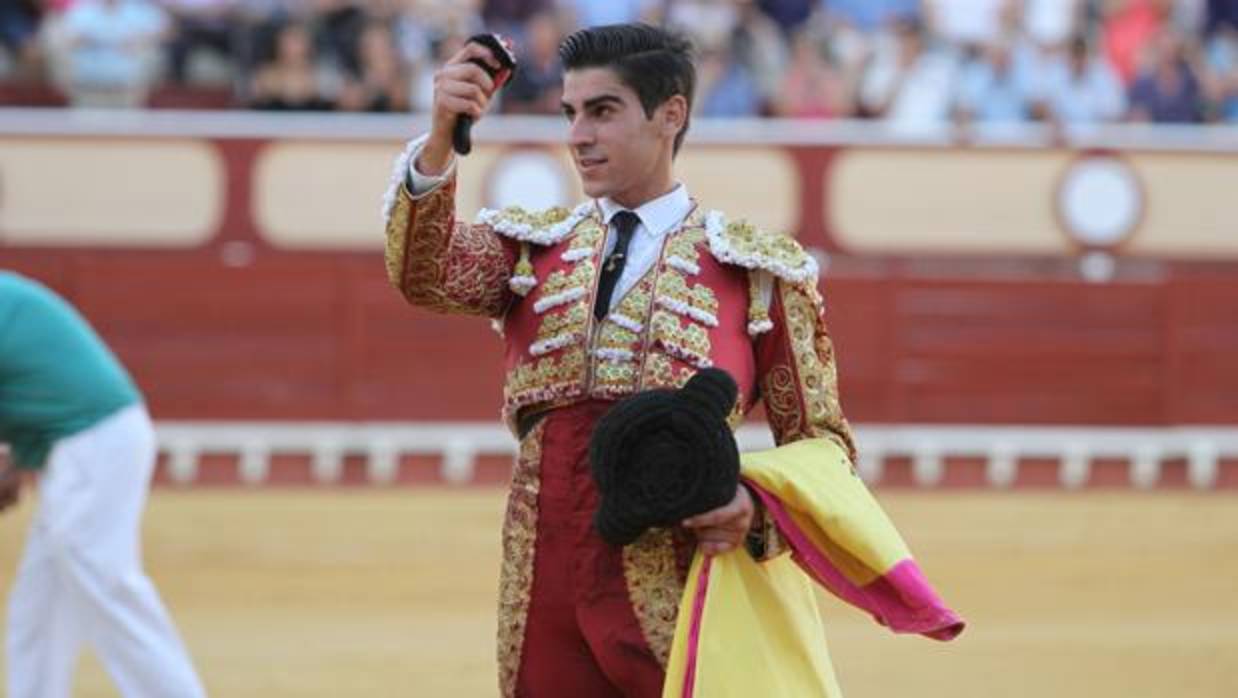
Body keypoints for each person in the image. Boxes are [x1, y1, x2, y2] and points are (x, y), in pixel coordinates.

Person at [381, 23, 956, 696]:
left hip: (680, 572)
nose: (578, 135)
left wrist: (756, 505)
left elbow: (823, 443)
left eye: (602, 111)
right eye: (570, 113)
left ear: (670, 115)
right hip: (542, 570)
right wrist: (443, 139)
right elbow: (427, 273)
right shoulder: (531, 252)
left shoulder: (756, 273)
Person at [0, 272, 207, 698]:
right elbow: (31, 378)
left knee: (106, 584)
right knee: (40, 605)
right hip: (85, 441)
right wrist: (16, 454)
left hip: (91, 442)